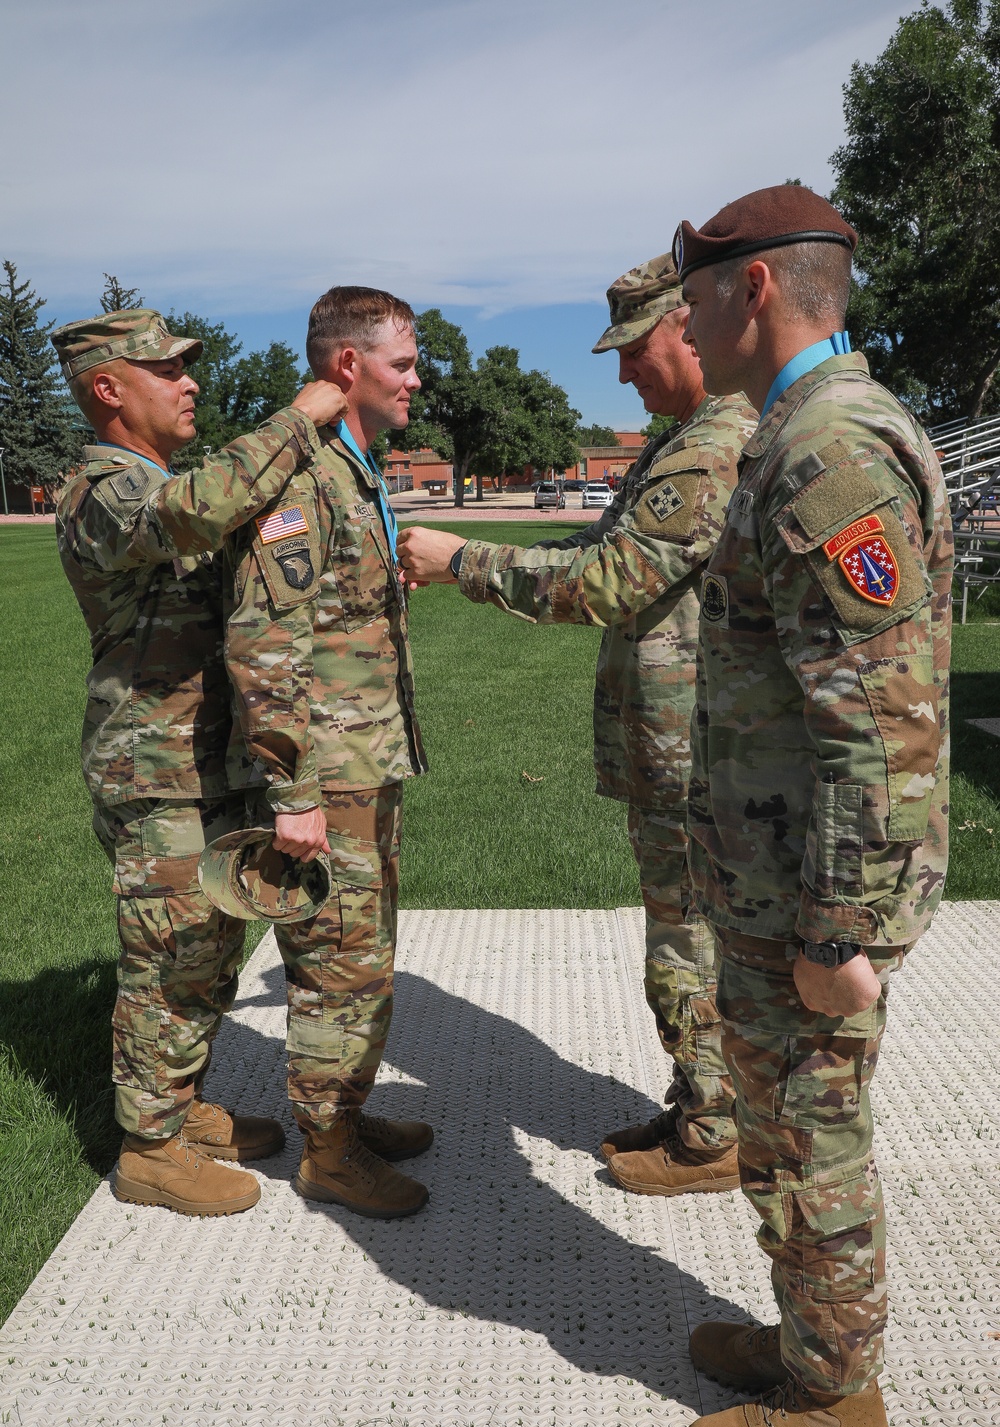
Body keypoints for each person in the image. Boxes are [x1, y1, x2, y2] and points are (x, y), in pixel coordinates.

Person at [673, 185, 952, 1427]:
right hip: (774, 874)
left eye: (695, 291)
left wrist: (843, 927)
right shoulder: (796, 430)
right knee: (782, 1130)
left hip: (809, 892)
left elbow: (881, 723)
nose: (681, 317)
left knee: (814, 1136)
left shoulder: (828, 449)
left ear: (755, 291)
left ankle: (839, 1404)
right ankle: (807, 1343)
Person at [397, 254, 756, 1197]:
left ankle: (716, 1132)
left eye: (635, 349)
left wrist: (461, 559)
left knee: (689, 942)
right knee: (687, 935)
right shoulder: (680, 436)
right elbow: (598, 547)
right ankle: (702, 1102)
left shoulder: (715, 440)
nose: (625, 372)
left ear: (686, 327)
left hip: (698, 752)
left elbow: (608, 582)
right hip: (675, 743)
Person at [51, 308, 348, 1217]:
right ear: (109, 388)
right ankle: (148, 1149)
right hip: (155, 773)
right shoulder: (104, 489)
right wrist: (299, 416)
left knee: (211, 948)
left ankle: (180, 1110)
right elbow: (195, 511)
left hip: (204, 765)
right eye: (167, 371)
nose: (191, 384)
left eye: (189, 369)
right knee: (167, 955)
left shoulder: (157, 479)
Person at [220, 285, 430, 1220]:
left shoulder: (355, 466)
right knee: (336, 962)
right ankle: (327, 1151)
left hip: (364, 764)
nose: (417, 380)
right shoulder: (304, 482)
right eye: (402, 363)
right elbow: (262, 640)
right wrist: (293, 791)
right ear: (348, 367)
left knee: (363, 957)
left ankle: (344, 1110)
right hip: (328, 776)